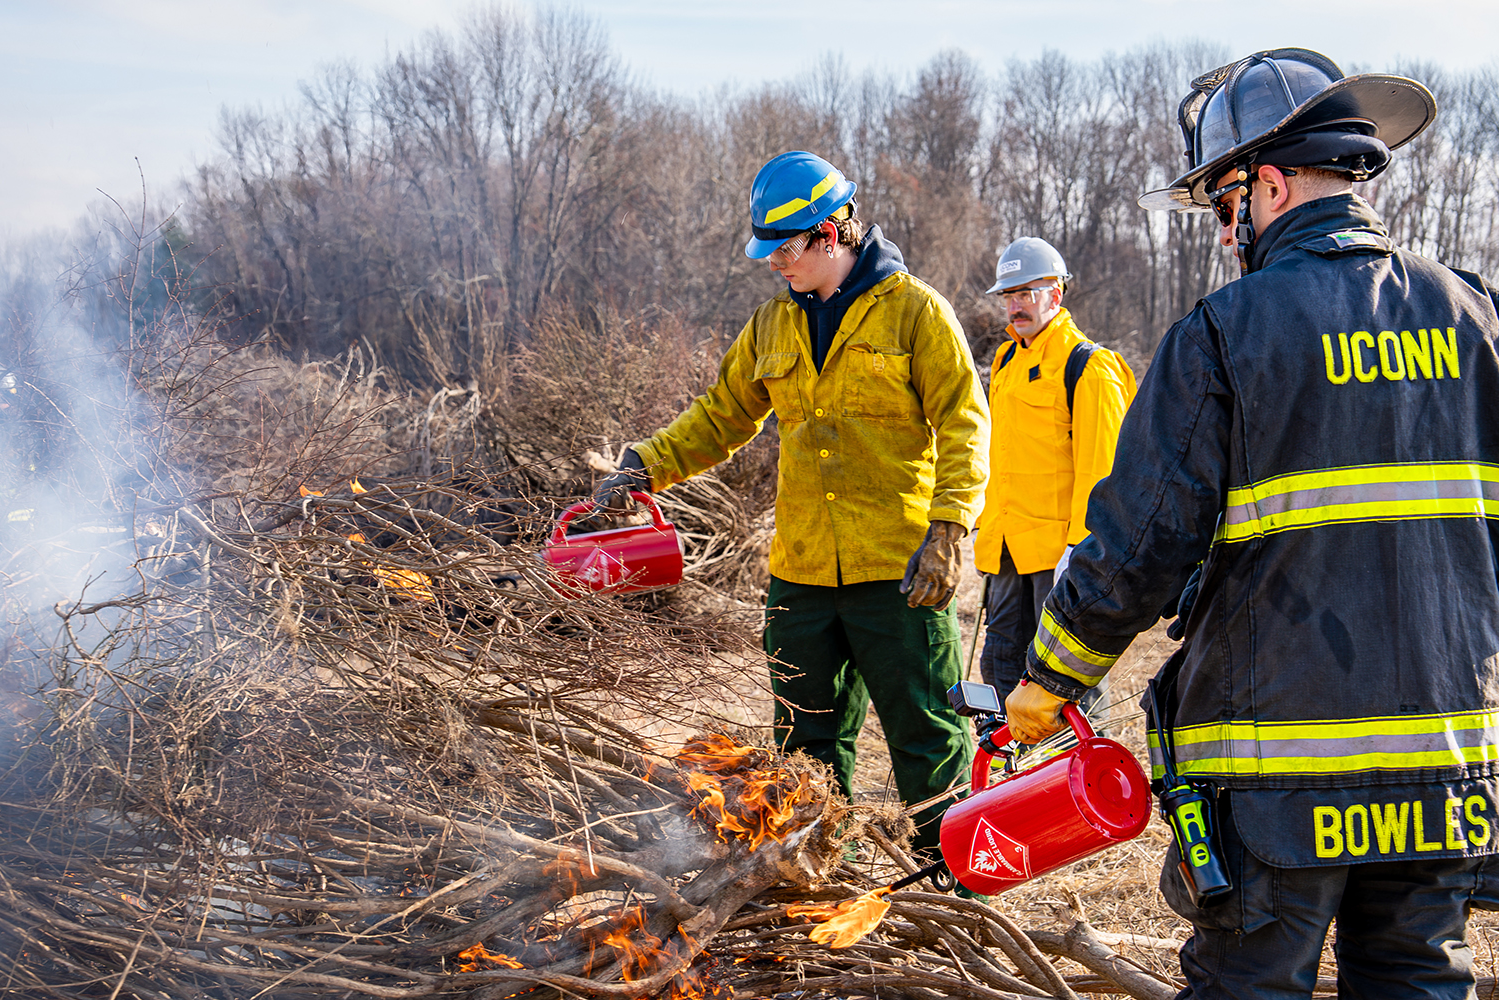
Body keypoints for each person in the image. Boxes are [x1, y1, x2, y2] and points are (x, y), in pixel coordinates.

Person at [1004, 48, 1499, 997]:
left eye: (1226, 207)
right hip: (1446, 776)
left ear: (1268, 183)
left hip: (1280, 782)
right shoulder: (1476, 314)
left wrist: (1049, 678)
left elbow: (1136, 542)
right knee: (1417, 981)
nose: (1226, 234)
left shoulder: (1226, 332)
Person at [594, 151, 989, 855]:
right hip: (802, 576)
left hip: (900, 571)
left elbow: (965, 421)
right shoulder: (773, 327)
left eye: (784, 249)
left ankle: (954, 879)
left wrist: (950, 529)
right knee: (805, 743)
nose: (774, 263)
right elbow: (721, 416)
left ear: (829, 234)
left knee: (926, 737)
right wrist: (644, 465)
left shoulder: (915, 314)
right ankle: (818, 874)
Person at [972, 237, 1135, 723]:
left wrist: (1080, 552)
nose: (1015, 305)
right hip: (1007, 551)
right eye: (1009, 294)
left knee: (1064, 684)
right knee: (1002, 668)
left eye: (1026, 292)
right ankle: (1008, 783)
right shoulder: (1005, 361)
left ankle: (1080, 786)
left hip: (1059, 560)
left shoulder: (1089, 366)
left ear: (1055, 295)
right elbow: (998, 455)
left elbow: (1101, 472)